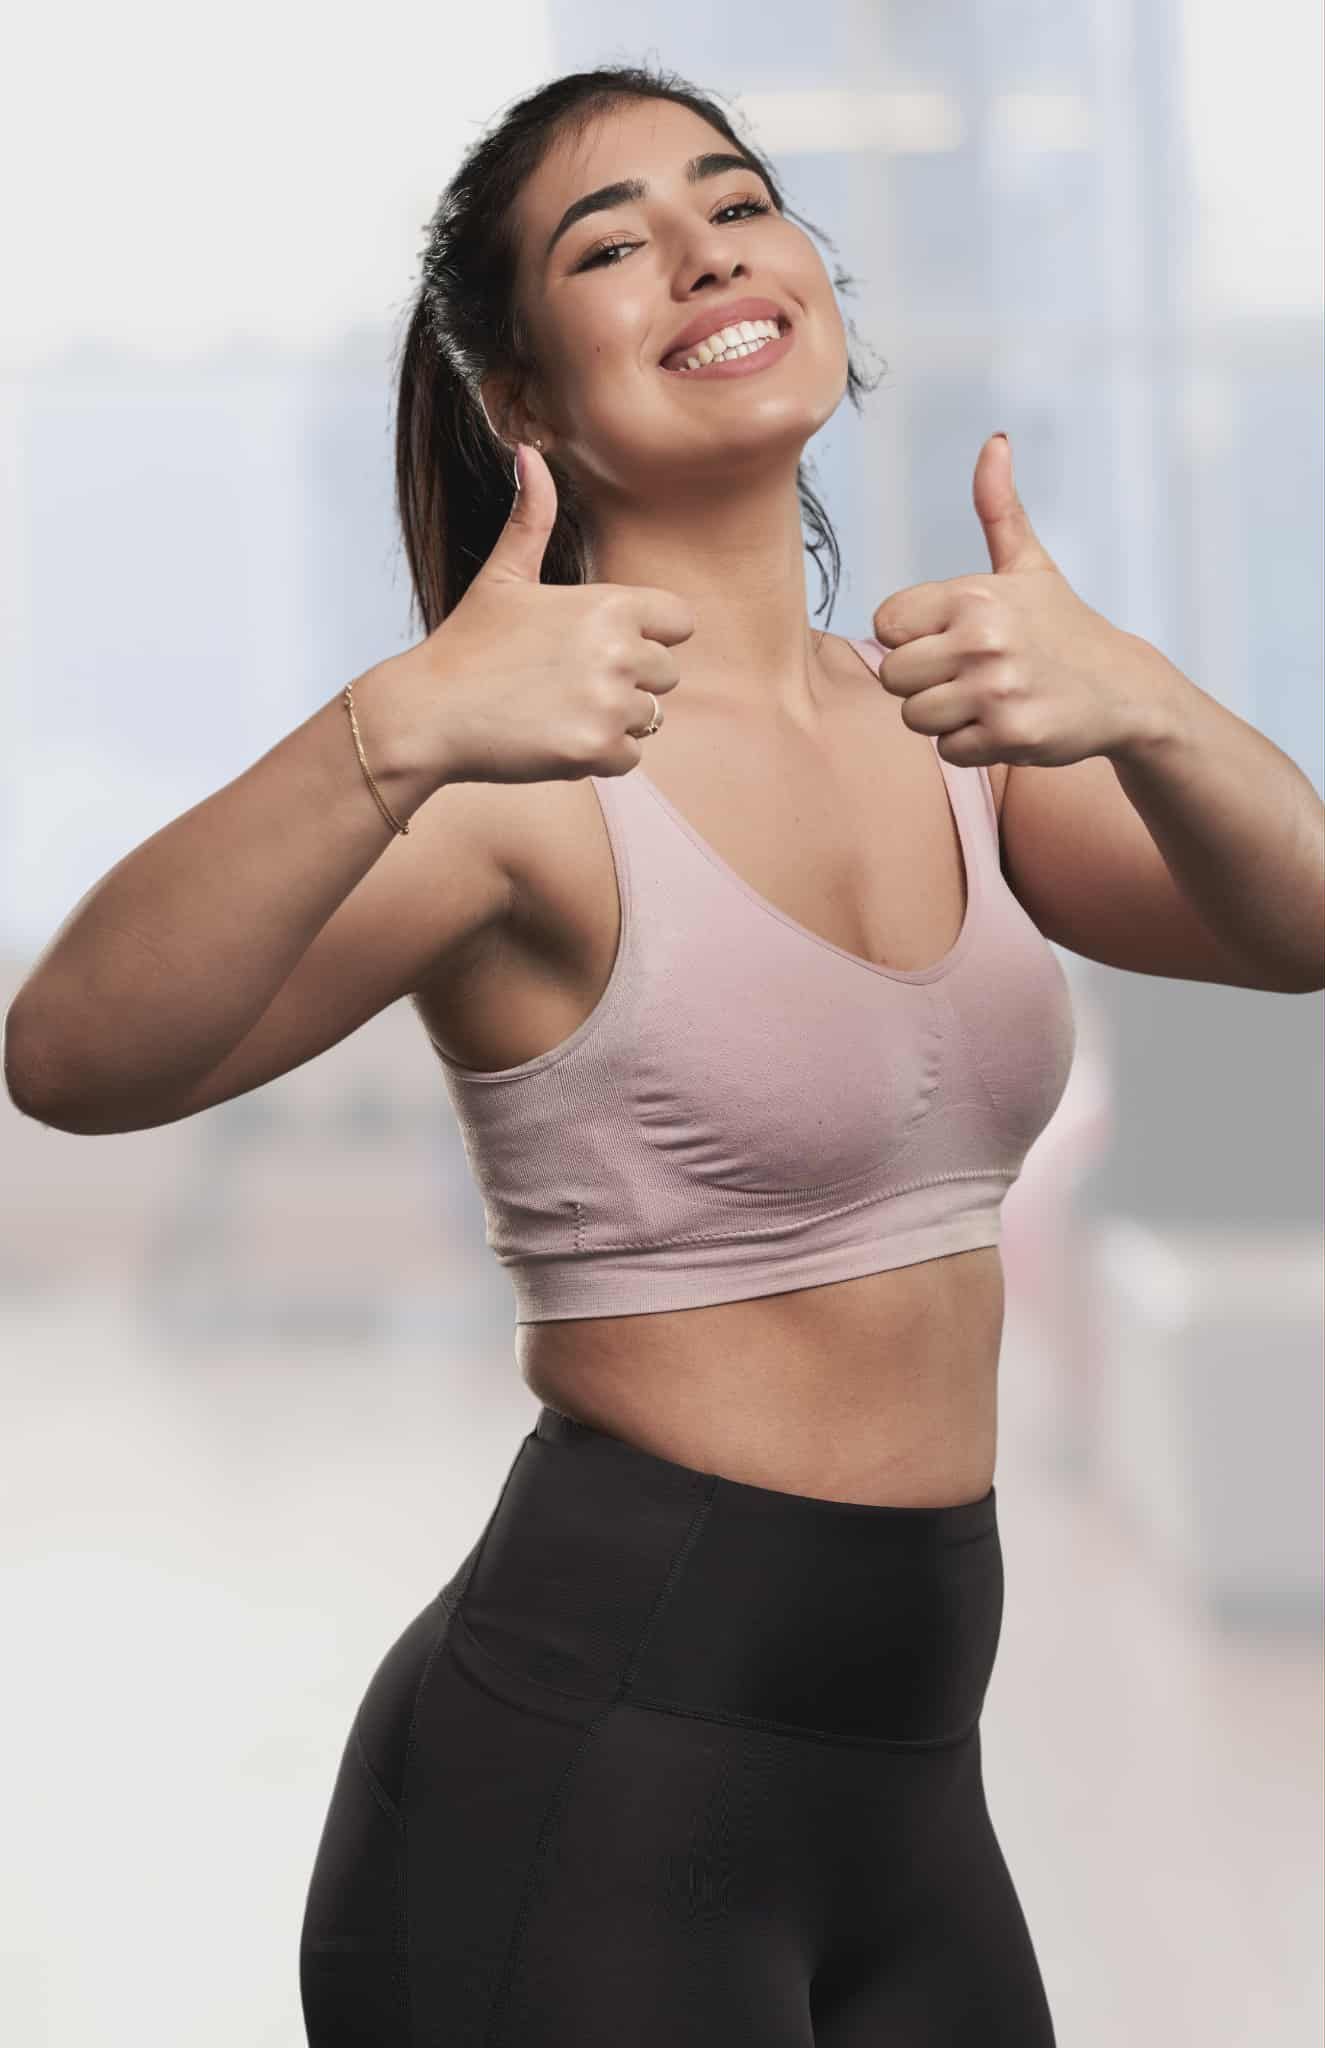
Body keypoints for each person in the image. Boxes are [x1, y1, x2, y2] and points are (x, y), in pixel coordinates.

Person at [5, 62, 1072, 2047]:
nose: (698, 249)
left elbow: (1302, 925)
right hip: (587, 1794)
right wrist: (395, 721)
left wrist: (1158, 713)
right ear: (524, 404)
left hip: (916, 1788)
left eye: (734, 199)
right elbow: (69, 1052)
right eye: (607, 242)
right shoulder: (515, 780)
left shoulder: (950, 719)